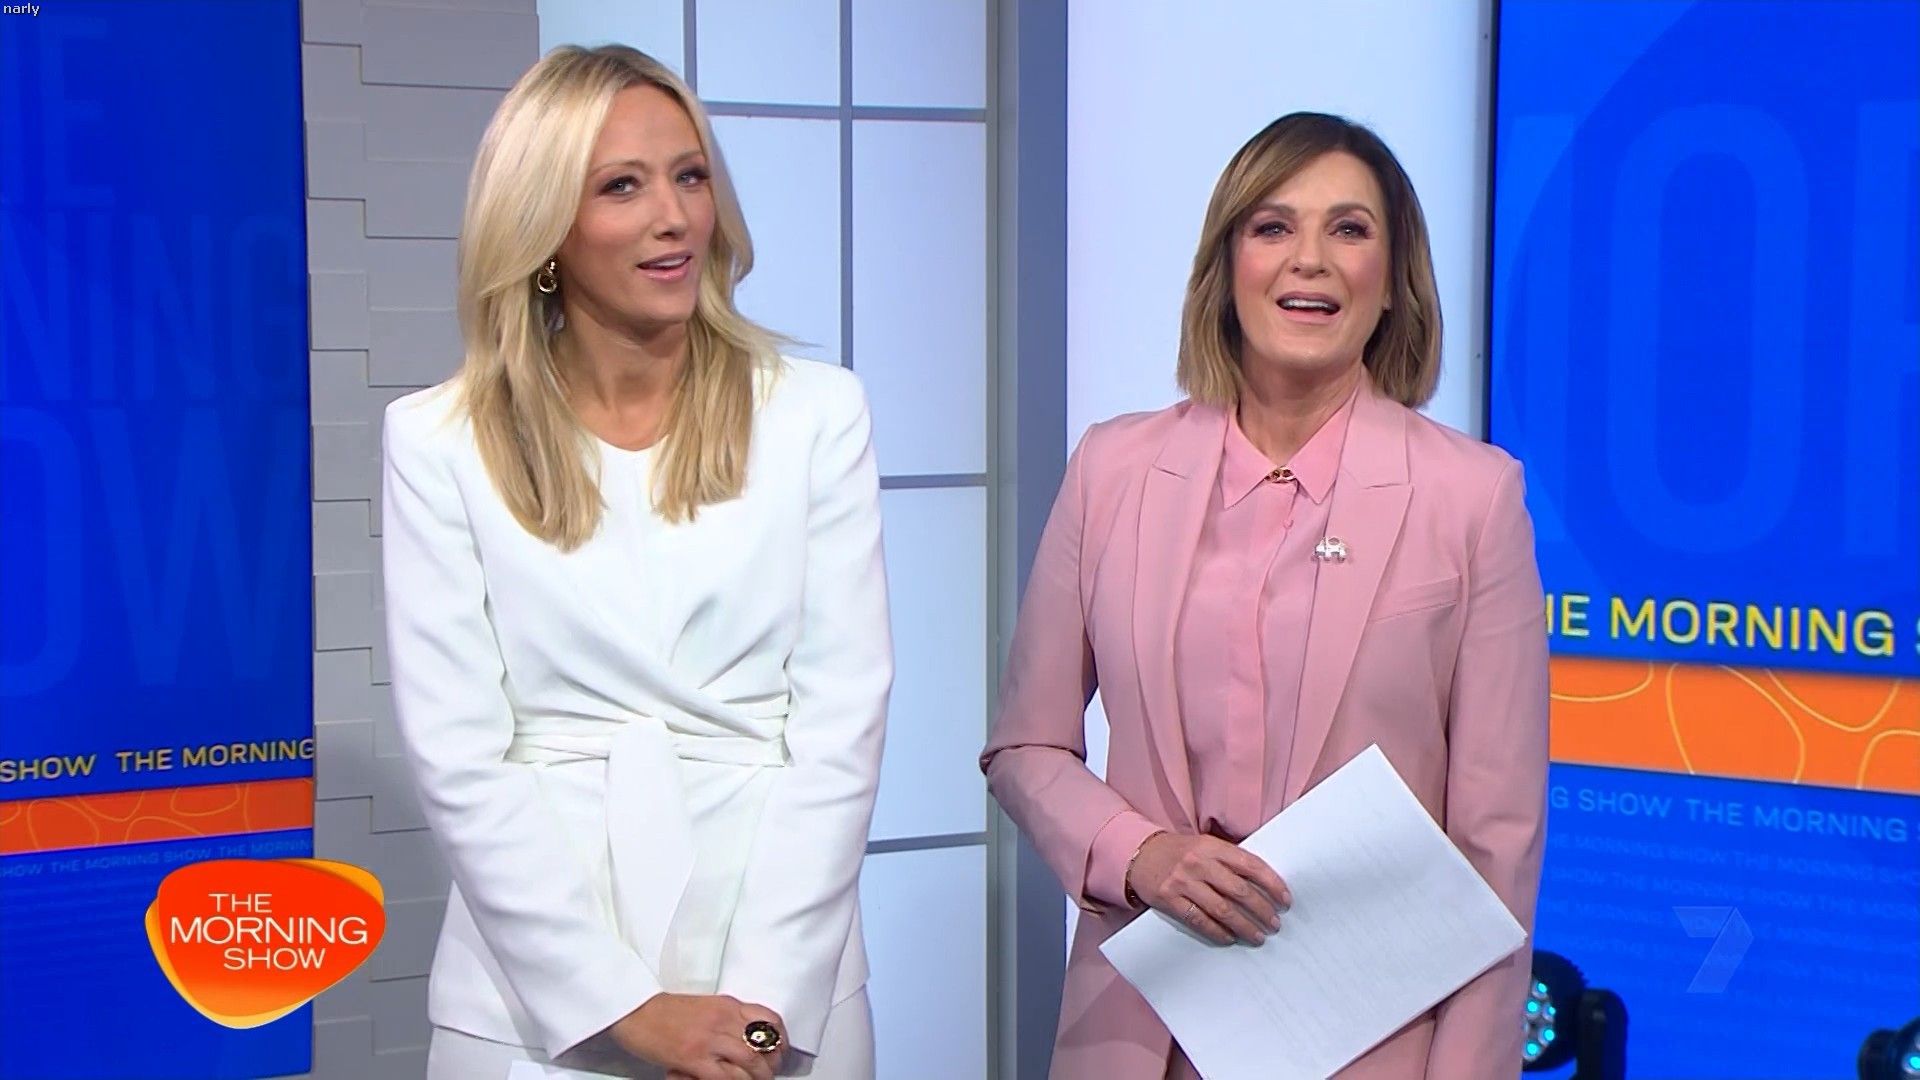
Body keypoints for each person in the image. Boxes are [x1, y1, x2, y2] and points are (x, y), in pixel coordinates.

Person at [982, 112, 1549, 1078]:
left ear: (1393, 277)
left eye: (1349, 229)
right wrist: (1136, 853)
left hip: (1367, 1041)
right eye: (1273, 226)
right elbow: (1024, 747)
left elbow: (1497, 844)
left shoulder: (1472, 496)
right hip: (1139, 1032)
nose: (1309, 260)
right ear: (1228, 263)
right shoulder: (1113, 469)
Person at [381, 44, 891, 1080]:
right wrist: (621, 1005)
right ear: (543, 228)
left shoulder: (815, 414)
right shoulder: (438, 441)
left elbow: (842, 726)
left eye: (690, 175)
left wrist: (762, 1013)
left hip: (785, 982)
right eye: (623, 186)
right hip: (535, 1006)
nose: (675, 216)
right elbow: (460, 756)